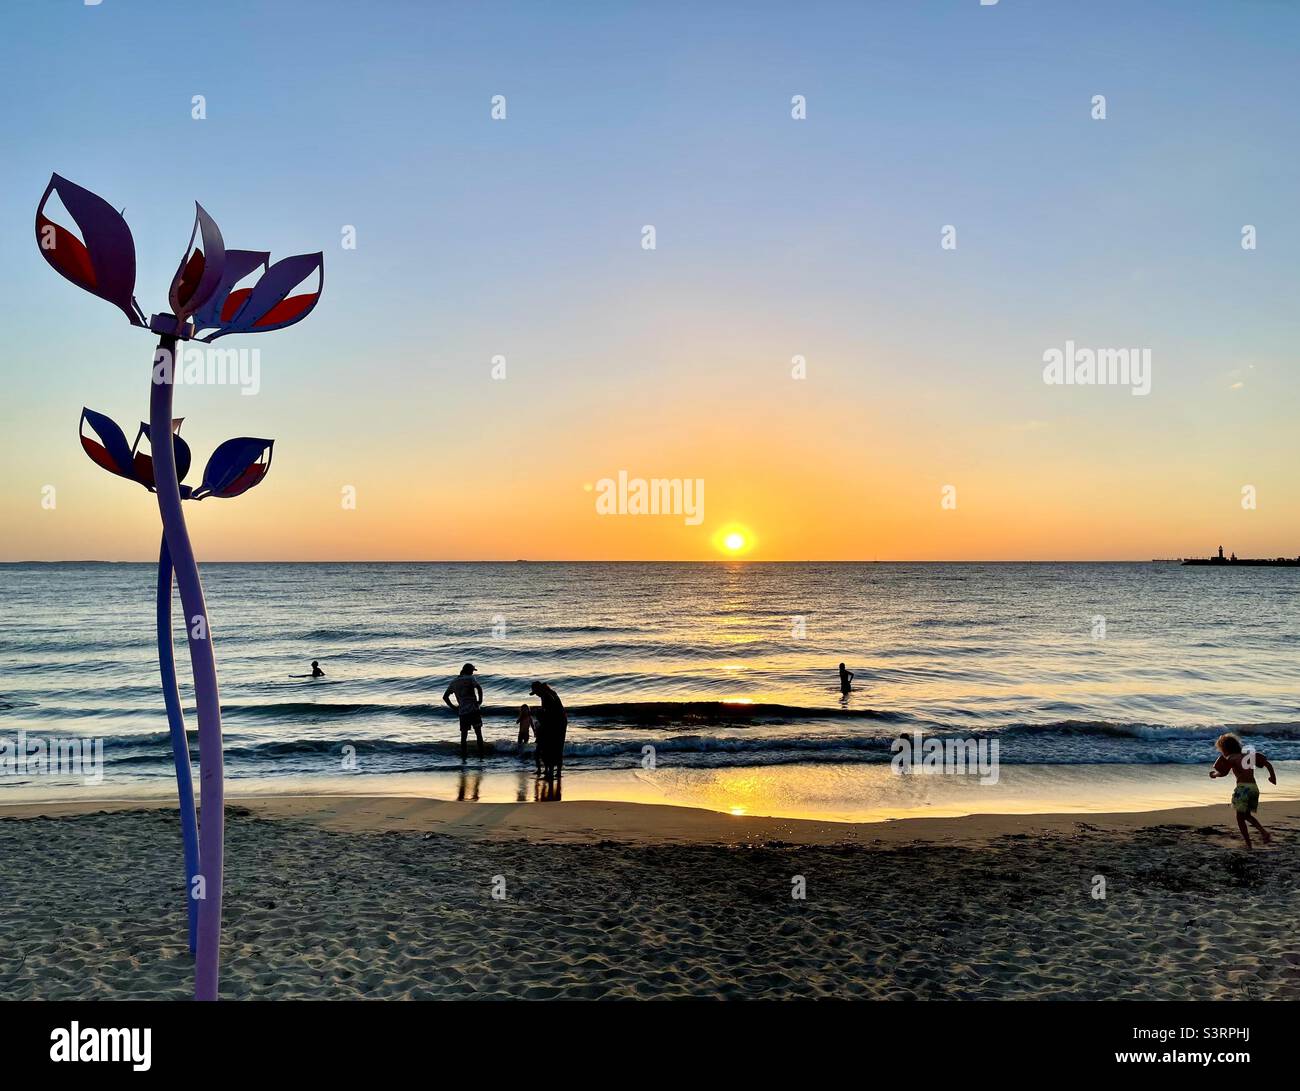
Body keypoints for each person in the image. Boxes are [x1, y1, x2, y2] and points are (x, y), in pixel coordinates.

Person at [1210, 733, 1276, 850]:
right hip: (1254, 788)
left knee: (1240, 818)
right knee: (1246, 815)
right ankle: (1263, 833)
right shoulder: (1248, 757)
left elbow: (1224, 773)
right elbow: (1266, 763)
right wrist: (1272, 777)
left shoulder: (1231, 758)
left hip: (1243, 789)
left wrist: (1215, 774)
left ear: (1225, 749)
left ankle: (1248, 844)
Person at [443, 663, 485, 761]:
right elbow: (479, 688)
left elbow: (445, 697)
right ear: (469, 671)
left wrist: (454, 707)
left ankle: (464, 758)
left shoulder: (454, 682)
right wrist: (480, 701)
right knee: (478, 734)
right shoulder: (471, 678)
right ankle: (481, 756)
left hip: (463, 712)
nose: (472, 672)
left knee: (463, 737)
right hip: (474, 710)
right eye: (472, 670)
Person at [529, 680, 567, 777]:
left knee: (552, 747)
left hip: (557, 722)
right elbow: (550, 711)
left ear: (539, 689)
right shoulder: (549, 693)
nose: (536, 695)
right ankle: (557, 771)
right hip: (560, 721)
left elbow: (549, 713)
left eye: (536, 692)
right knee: (558, 746)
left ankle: (551, 772)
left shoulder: (546, 696)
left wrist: (538, 712)